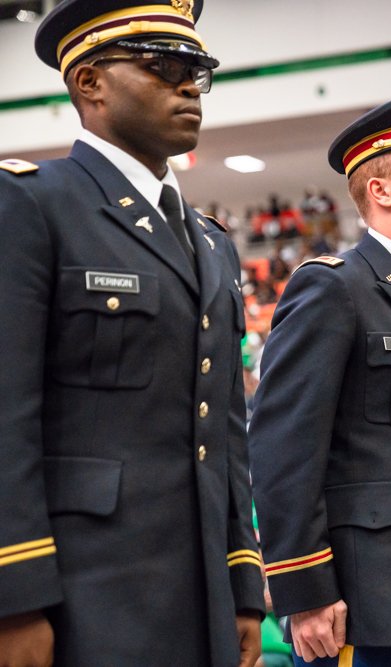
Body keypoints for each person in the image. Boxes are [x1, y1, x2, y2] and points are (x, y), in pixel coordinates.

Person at [0, 1, 265, 664]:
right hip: (84, 597)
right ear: (89, 82)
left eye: (197, 71)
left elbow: (223, 432)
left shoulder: (212, 243)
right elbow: (6, 417)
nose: (187, 86)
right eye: (165, 65)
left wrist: (242, 584)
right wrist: (15, 597)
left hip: (199, 592)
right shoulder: (30, 204)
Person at [248, 92, 391, 667]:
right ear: (380, 190)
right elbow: (285, 446)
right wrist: (305, 590)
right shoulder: (334, 287)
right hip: (359, 600)